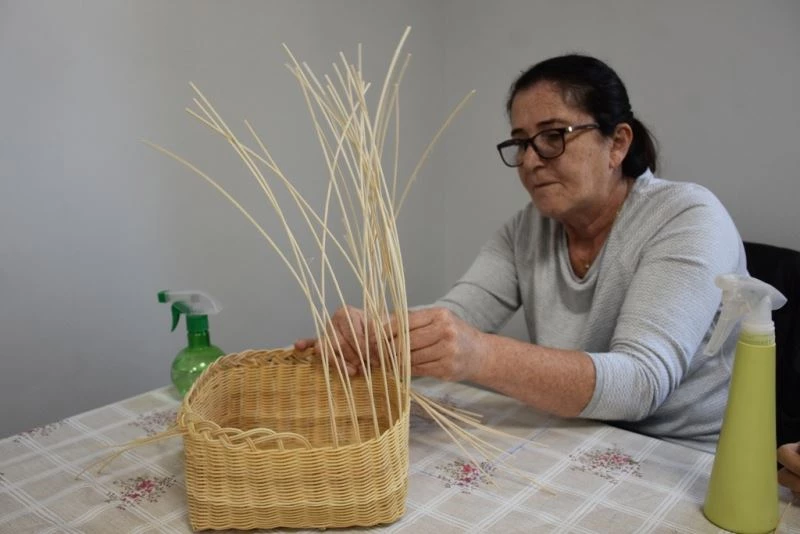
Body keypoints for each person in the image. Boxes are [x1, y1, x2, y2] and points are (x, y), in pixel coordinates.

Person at [296, 54, 746, 453]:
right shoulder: (528, 230)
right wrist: (374, 334)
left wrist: (480, 355)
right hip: (577, 436)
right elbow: (457, 316)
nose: (531, 161)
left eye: (553, 136)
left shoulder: (686, 217)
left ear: (618, 143)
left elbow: (641, 383)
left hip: (686, 460)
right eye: (520, 143)